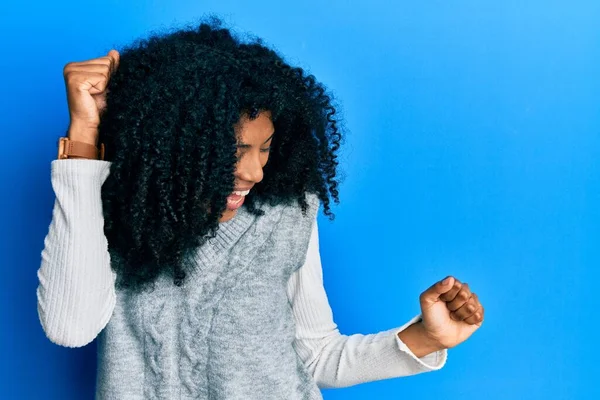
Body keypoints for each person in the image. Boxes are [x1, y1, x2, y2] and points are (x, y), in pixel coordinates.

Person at [37, 20, 485, 399]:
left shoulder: (287, 213)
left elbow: (318, 355)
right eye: (233, 151)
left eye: (265, 149)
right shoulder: (114, 210)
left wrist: (427, 338)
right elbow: (69, 327)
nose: (254, 173)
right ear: (174, 148)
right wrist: (83, 141)